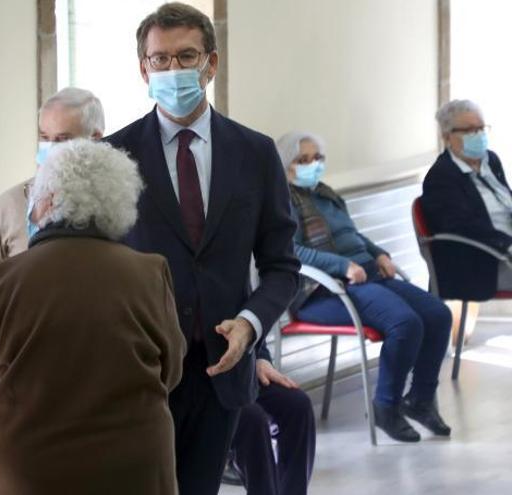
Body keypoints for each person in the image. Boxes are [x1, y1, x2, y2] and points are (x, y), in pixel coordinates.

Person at [106, 4, 300, 493]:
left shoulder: (255, 153)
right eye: (160, 60)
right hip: (140, 372)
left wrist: (251, 324)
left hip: (223, 369)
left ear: (210, 64)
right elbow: (93, 270)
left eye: (186, 56)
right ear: (143, 69)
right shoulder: (113, 157)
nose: (174, 71)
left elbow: (281, 265)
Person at [0, 139, 186, 494]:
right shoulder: (150, 273)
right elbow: (170, 372)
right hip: (134, 467)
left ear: (48, 201)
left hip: (28, 472)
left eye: (33, 193)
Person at [277, 130, 452, 443]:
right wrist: (342, 266)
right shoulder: (282, 200)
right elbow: (292, 252)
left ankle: (421, 400)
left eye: (317, 158)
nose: (312, 165)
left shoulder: (326, 193)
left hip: (367, 275)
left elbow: (352, 237)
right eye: (302, 160)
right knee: (405, 322)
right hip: (323, 291)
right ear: (285, 165)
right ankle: (386, 406)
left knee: (438, 313)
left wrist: (378, 253)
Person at [0, 87, 105, 285]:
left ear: (95, 139)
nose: (51, 148)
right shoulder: (8, 207)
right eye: (45, 138)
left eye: (63, 139)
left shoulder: (116, 206)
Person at [422, 99, 512, 299]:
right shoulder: (441, 177)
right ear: (447, 137)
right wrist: (507, 244)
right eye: (470, 131)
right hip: (480, 263)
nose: (478, 135)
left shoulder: (491, 161)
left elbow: (505, 203)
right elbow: (464, 227)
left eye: (481, 128)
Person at [228, 345, 315, 495]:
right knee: (252, 418)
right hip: (197, 380)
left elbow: (252, 325)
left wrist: (261, 358)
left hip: (241, 371)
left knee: (298, 404)